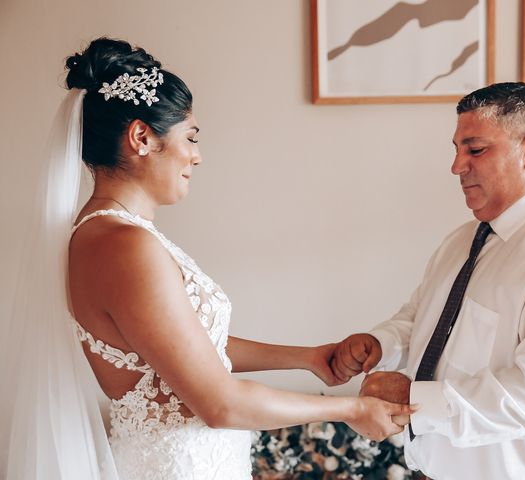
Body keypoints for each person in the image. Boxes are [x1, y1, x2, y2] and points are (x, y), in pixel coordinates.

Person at [0, 37, 413, 480]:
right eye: (190, 137)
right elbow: (220, 404)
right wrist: (351, 409)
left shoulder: (115, 234)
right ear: (142, 137)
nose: (196, 156)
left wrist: (307, 356)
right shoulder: (122, 245)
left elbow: (189, 346)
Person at [329, 82, 525, 479]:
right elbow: (421, 317)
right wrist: (379, 343)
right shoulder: (462, 241)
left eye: (475, 150)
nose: (456, 166)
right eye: (456, 150)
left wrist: (413, 398)